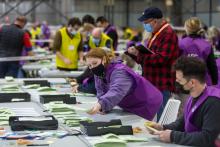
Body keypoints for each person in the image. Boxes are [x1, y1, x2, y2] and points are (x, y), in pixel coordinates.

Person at [147, 56, 220, 147]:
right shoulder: (193, 95)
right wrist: (162, 127)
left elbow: (207, 138)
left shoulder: (214, 102)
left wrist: (173, 136)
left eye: (179, 80)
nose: (176, 82)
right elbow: (182, 122)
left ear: (192, 83)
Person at [127, 7, 179, 120]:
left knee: (162, 121)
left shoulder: (168, 34)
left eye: (146, 23)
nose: (145, 25)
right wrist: (134, 54)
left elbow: (161, 59)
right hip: (153, 82)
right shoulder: (156, 33)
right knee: (153, 119)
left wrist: (139, 54)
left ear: (154, 21)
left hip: (161, 84)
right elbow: (148, 59)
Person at [85, 48, 163, 120]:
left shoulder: (120, 71)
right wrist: (102, 107)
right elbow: (100, 90)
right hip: (131, 104)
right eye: (89, 66)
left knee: (143, 131)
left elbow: (117, 91)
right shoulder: (99, 73)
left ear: (104, 59)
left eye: (94, 63)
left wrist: (101, 104)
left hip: (146, 103)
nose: (92, 67)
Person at [179, 17, 218, 86]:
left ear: (187, 28)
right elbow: (212, 66)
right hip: (203, 83)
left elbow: (176, 65)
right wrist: (215, 82)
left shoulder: (180, 43)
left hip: (185, 83)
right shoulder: (207, 45)